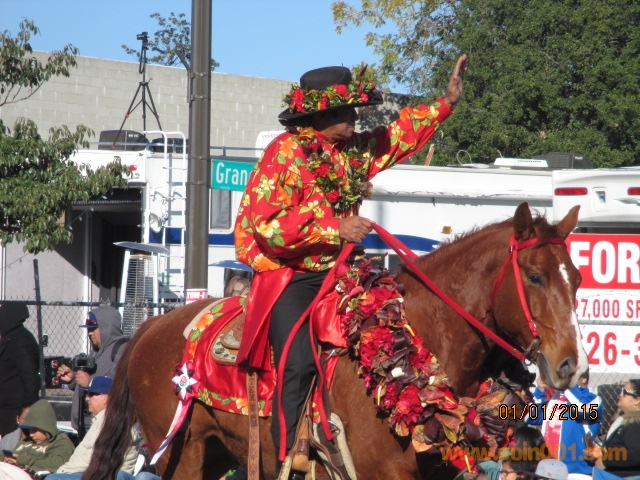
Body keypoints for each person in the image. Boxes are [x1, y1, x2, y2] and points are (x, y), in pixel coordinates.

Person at [234, 55, 468, 479]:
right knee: (297, 361)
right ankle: (287, 455)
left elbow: (398, 136)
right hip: (294, 274)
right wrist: (335, 227)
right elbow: (268, 227)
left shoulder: (354, 150)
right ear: (323, 116)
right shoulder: (284, 152)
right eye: (349, 112)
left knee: (399, 336)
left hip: (345, 271)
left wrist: (446, 103)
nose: (357, 119)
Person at [45, 376, 140, 479]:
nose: (87, 398)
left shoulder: (111, 423)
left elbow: (95, 459)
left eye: (91, 394)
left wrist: (63, 472)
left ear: (106, 398)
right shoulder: (102, 420)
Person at [56, 306, 128, 435]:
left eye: (93, 328)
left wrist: (90, 382)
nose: (89, 333)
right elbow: (89, 381)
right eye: (89, 329)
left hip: (106, 427)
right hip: (86, 425)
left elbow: (120, 385)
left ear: (107, 327)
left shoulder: (122, 350)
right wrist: (73, 379)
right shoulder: (96, 352)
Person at [525, 371, 602, 475]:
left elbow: (581, 407)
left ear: (583, 379)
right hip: (550, 469)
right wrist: (540, 391)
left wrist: (569, 386)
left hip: (577, 471)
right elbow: (530, 417)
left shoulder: (592, 399)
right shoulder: (556, 398)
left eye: (570, 374)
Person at [1, 399, 74, 477]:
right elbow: (13, 455)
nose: (31, 434)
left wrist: (24, 461)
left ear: (46, 427)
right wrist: (6, 458)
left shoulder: (61, 442)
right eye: (30, 430)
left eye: (35, 430)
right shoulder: (27, 441)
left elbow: (57, 464)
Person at [0, 302, 40, 437]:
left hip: (14, 409)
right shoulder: (9, 338)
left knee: (11, 443)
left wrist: (27, 407)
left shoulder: (21, 339)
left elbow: (29, 377)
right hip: (4, 406)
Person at [592, 379, 640, 478]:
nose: (620, 394)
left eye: (624, 392)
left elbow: (636, 454)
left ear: (637, 400)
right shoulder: (624, 419)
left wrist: (606, 460)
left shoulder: (635, 423)